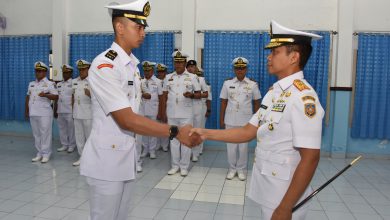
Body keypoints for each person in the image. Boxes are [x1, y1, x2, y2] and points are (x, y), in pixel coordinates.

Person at [190, 20, 324, 220]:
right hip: (268, 186)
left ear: (294, 57)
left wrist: (286, 207)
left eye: (275, 52)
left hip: (286, 192)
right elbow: (247, 131)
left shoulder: (304, 98)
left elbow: (311, 157)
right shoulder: (274, 93)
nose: (269, 57)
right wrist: (205, 133)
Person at [79, 1, 200, 219]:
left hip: (126, 157)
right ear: (120, 27)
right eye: (138, 27)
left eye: (144, 27)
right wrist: (174, 131)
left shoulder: (131, 65)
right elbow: (127, 120)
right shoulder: (104, 65)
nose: (143, 32)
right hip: (106, 162)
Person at [220, 57, 261, 180]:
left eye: (242, 68)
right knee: (231, 147)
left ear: (246, 69)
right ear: (234, 69)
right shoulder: (227, 83)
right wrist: (221, 120)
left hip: (246, 121)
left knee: (243, 148)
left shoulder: (252, 84)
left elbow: (257, 102)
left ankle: (241, 170)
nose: (240, 71)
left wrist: (257, 120)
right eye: (237, 68)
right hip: (230, 120)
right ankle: (232, 169)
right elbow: (223, 102)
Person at [162, 51, 201, 176]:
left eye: (180, 62)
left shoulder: (192, 77)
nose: (178, 64)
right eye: (176, 62)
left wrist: (192, 95)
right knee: (173, 141)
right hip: (172, 114)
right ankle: (174, 166)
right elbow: (164, 95)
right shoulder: (168, 77)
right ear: (174, 63)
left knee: (185, 140)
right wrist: (163, 112)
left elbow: (199, 94)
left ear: (184, 63)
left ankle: (184, 167)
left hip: (186, 114)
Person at [25, 61, 58, 163]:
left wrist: (46, 95)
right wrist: (27, 110)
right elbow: (28, 97)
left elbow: (56, 96)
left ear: (45, 72)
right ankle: (39, 152)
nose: (38, 73)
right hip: (33, 112)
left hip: (44, 113)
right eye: (37, 71)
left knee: (45, 134)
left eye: (40, 71)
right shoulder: (32, 84)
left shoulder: (50, 84)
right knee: (36, 134)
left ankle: (46, 153)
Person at [186, 60, 208, 162]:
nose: (191, 69)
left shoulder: (201, 79)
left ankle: (195, 153)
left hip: (198, 107)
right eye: (189, 67)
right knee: (188, 131)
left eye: (193, 67)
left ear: (196, 68)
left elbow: (206, 94)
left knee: (197, 130)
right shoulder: (184, 79)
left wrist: (194, 95)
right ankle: (188, 152)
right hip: (186, 108)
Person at [140, 61, 163, 159]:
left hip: (154, 109)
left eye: (148, 70)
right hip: (142, 109)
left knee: (153, 131)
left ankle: (152, 150)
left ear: (152, 70)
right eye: (145, 71)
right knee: (144, 131)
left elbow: (161, 97)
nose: (146, 73)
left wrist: (161, 112)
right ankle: (145, 149)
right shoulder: (140, 81)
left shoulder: (158, 82)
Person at [72, 59, 92, 166]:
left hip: (88, 114)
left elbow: (99, 99)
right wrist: (72, 110)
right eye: (80, 69)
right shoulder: (74, 81)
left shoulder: (93, 81)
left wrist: (90, 94)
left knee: (89, 137)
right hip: (77, 112)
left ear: (88, 69)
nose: (81, 71)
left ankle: (91, 158)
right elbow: (72, 97)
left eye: (83, 69)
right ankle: (82, 157)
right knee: (79, 136)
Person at [55, 64, 76, 153]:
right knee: (62, 128)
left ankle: (71, 145)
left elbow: (74, 96)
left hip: (70, 110)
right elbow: (56, 97)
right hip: (60, 109)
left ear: (71, 73)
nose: (65, 74)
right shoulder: (59, 84)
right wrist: (55, 109)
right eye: (64, 73)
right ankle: (64, 144)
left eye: (67, 73)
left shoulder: (74, 83)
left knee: (71, 129)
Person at [156, 63, 170, 152]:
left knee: (166, 126)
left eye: (162, 72)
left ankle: (165, 145)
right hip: (156, 106)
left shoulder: (169, 80)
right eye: (159, 72)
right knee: (157, 126)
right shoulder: (155, 81)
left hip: (166, 105)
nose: (160, 73)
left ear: (165, 72)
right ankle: (157, 145)